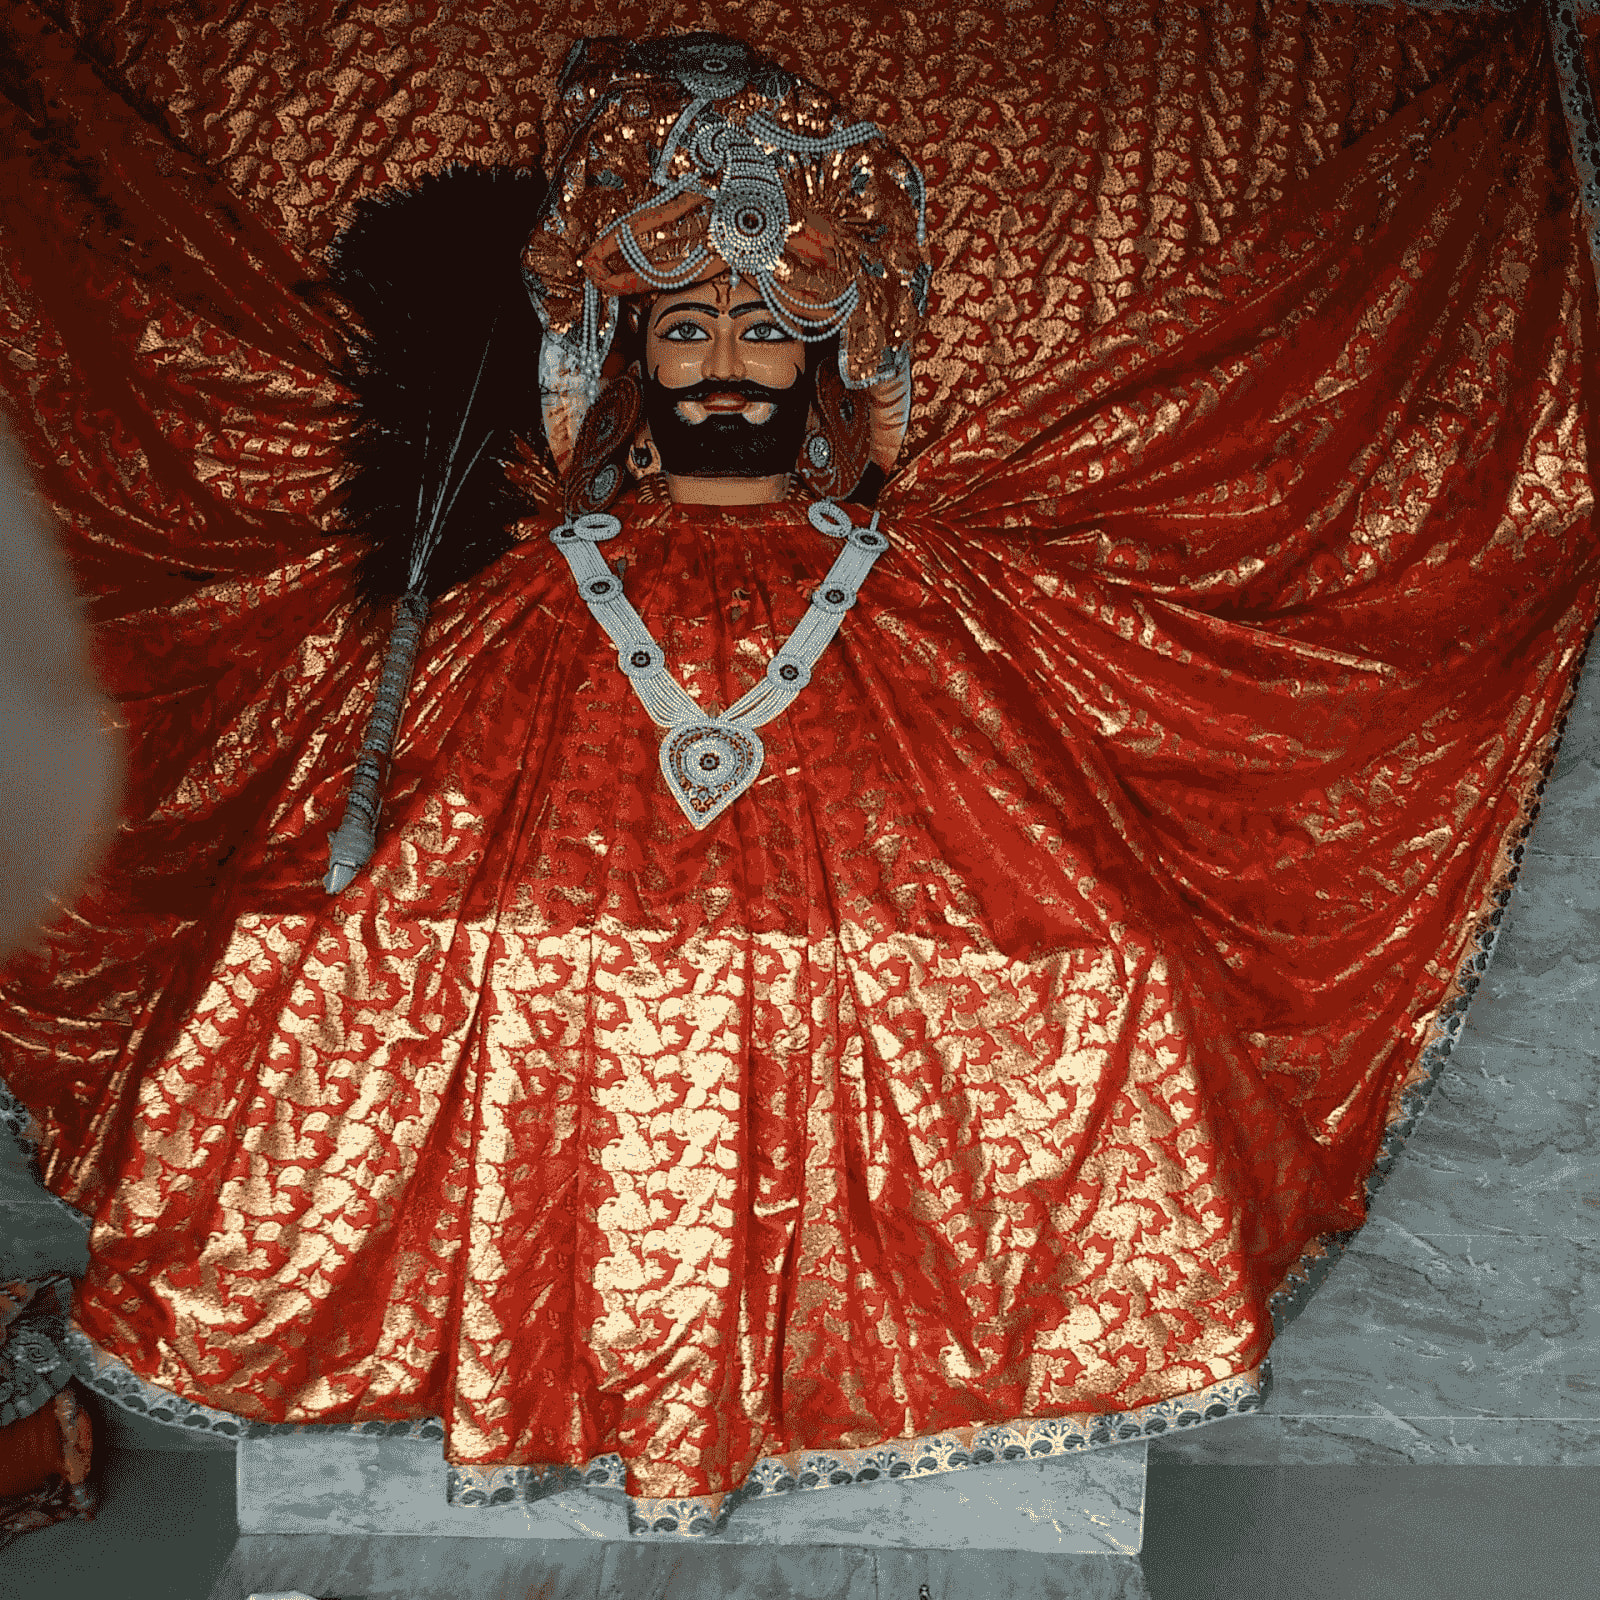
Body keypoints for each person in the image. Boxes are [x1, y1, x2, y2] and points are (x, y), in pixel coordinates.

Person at [1, 20, 1595, 1540]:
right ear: (628, 351)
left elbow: (1021, 846)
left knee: (1109, 978)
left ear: (828, 351)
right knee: (333, 972)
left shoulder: (916, 589)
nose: (725, 365)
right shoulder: (522, 592)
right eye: (687, 327)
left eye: (764, 328)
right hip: (544, 801)